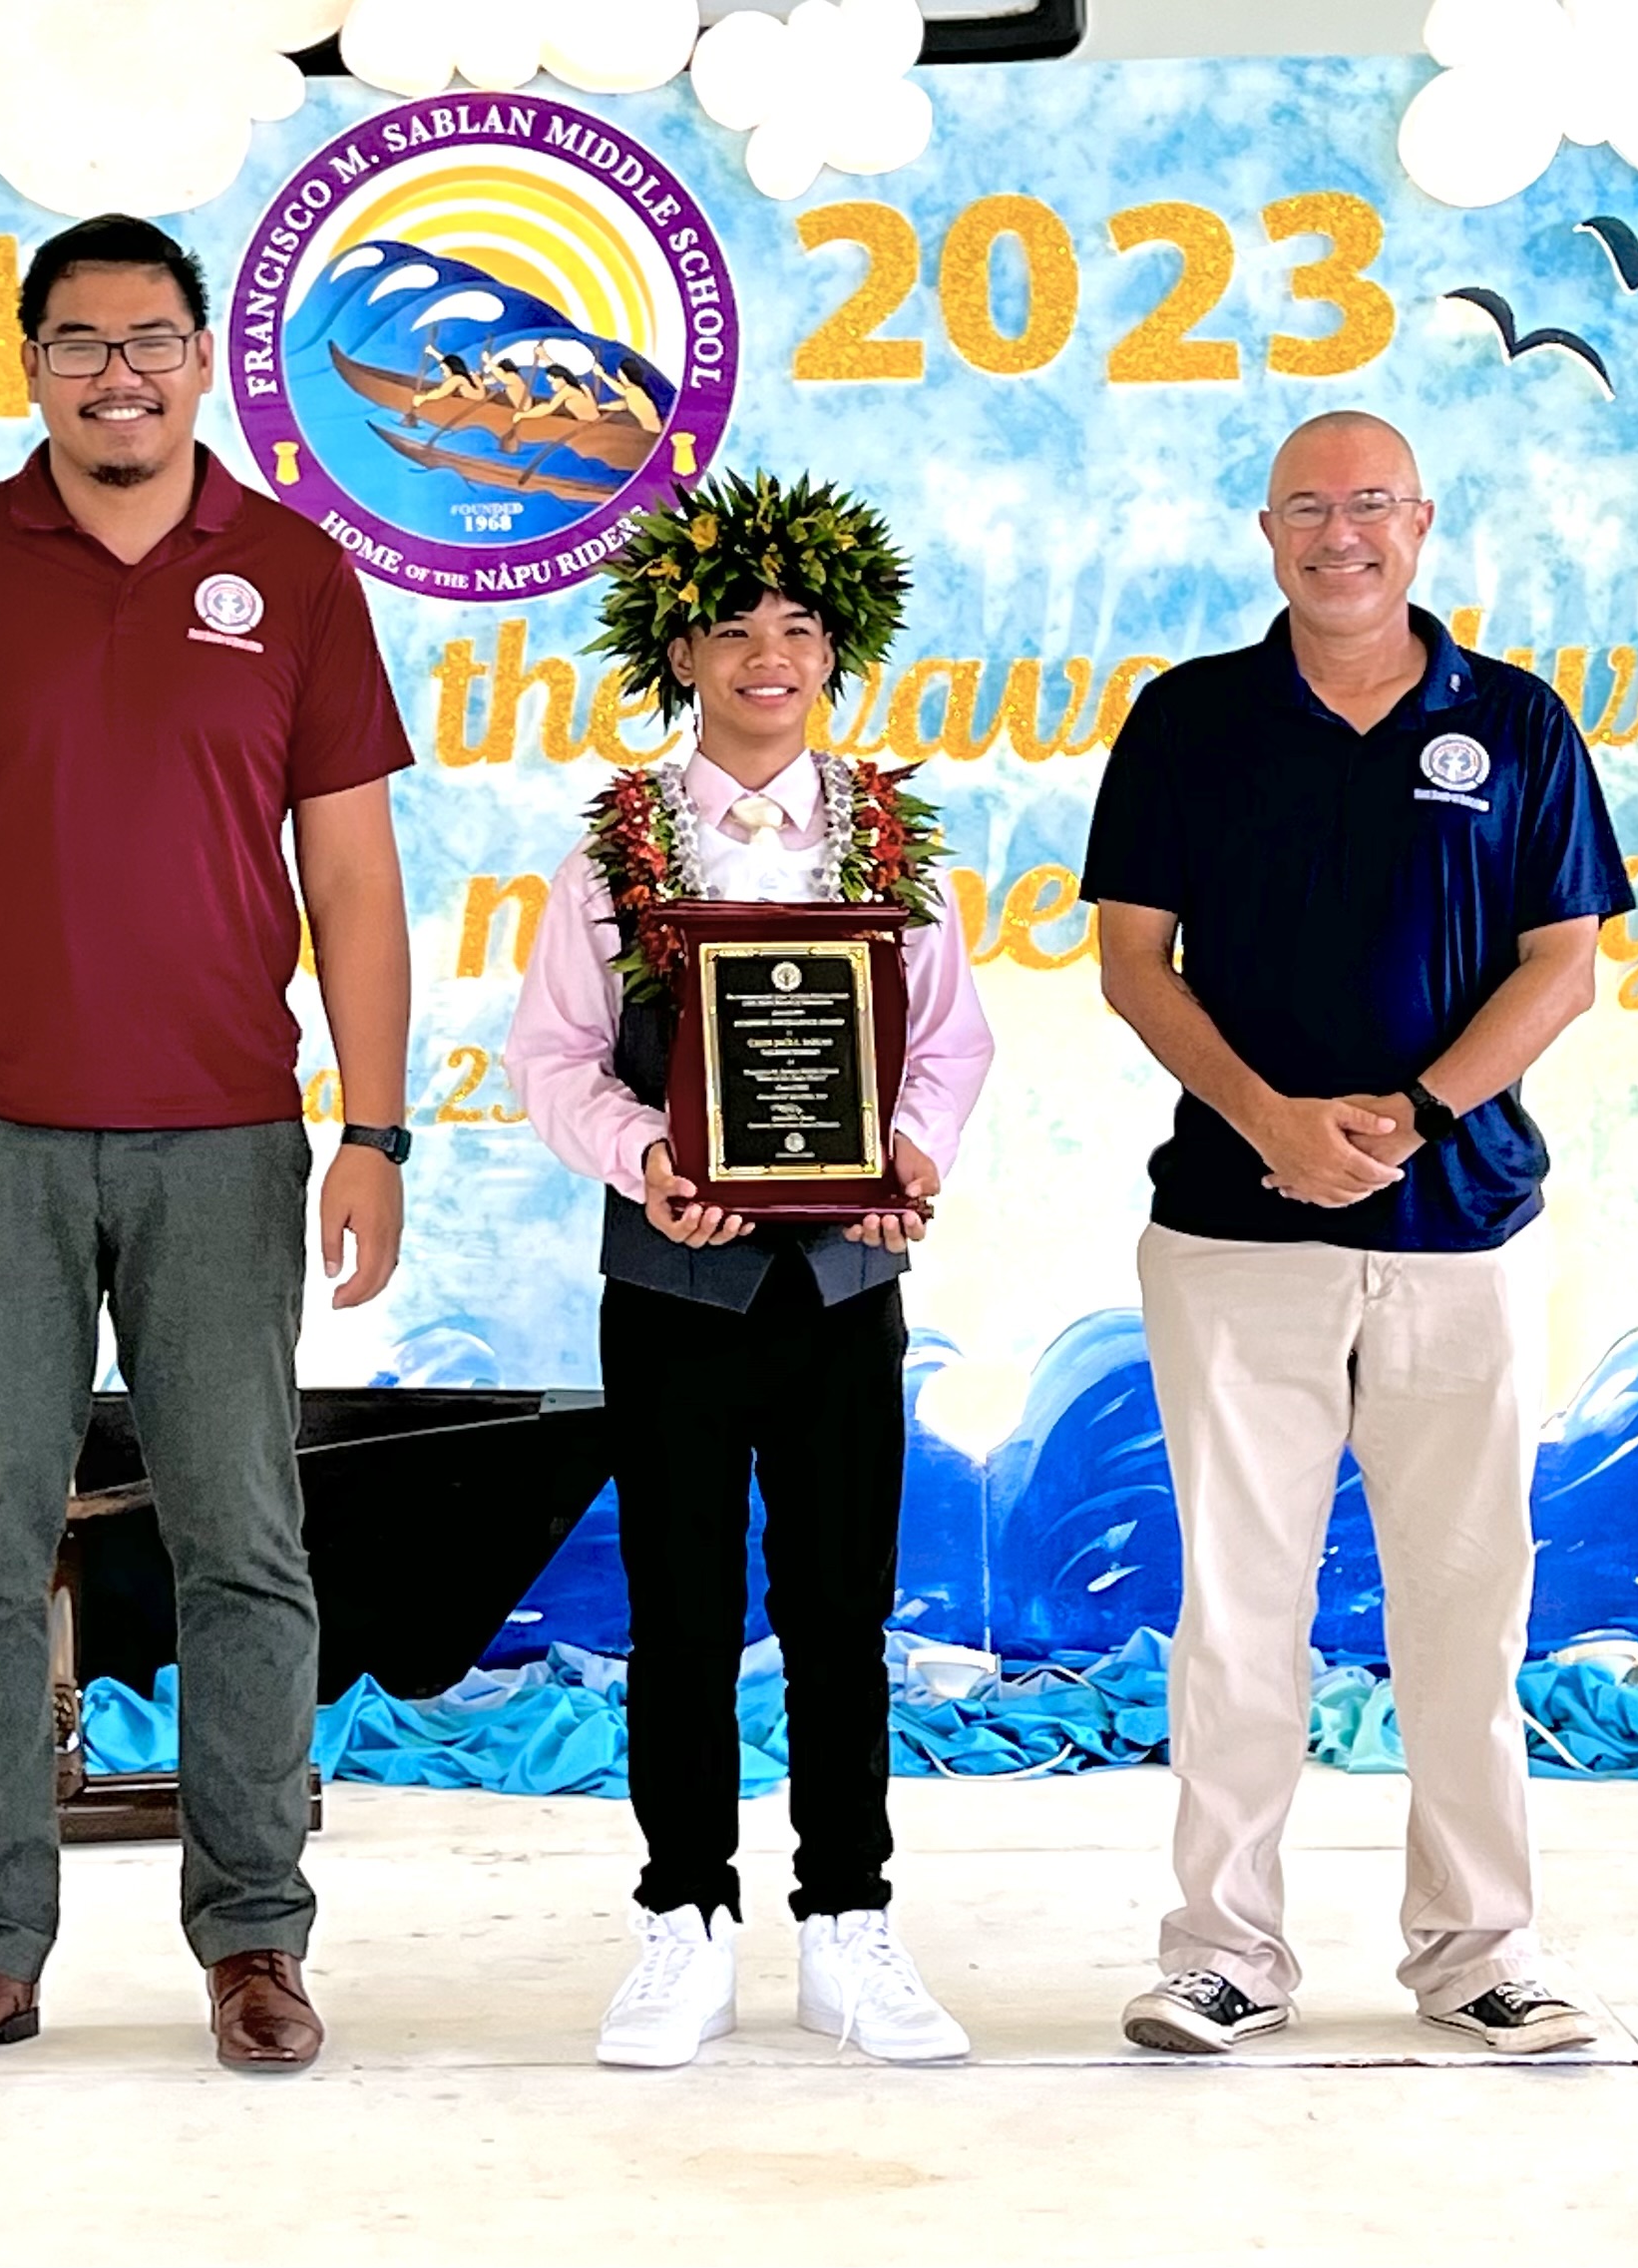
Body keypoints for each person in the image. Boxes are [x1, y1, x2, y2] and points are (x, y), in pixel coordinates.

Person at [0, 214, 416, 2079]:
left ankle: (255, 1939)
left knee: (245, 1546)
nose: (116, 373)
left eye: (150, 339)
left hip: (226, 1134)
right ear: (32, 361)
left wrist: (373, 1125)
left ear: (204, 358)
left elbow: (356, 882)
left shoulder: (294, 575)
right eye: (79, 342)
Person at [1082, 411, 1635, 2056]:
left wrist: (1418, 1111)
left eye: (1371, 505)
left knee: (1466, 1604)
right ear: (1266, 531)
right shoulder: (1188, 720)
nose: (1343, 535)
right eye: (1310, 509)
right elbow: (1129, 959)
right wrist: (1266, 1120)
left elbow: (1563, 960)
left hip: (1457, 1227)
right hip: (1231, 1235)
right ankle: (1221, 1951)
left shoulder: (1514, 721)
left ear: (1422, 523)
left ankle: (1480, 1949)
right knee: (1237, 1604)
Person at [507, 472, 995, 2068]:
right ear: (680, 648)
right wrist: (648, 1159)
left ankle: (847, 1923)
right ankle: (682, 1919)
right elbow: (554, 1057)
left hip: (844, 1285)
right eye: (732, 628)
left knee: (843, 1605)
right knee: (680, 1609)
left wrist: (909, 1149)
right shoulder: (617, 844)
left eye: (796, 628)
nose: (765, 656)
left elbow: (947, 1041)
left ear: (836, 648)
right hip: (673, 1287)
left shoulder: (890, 831)